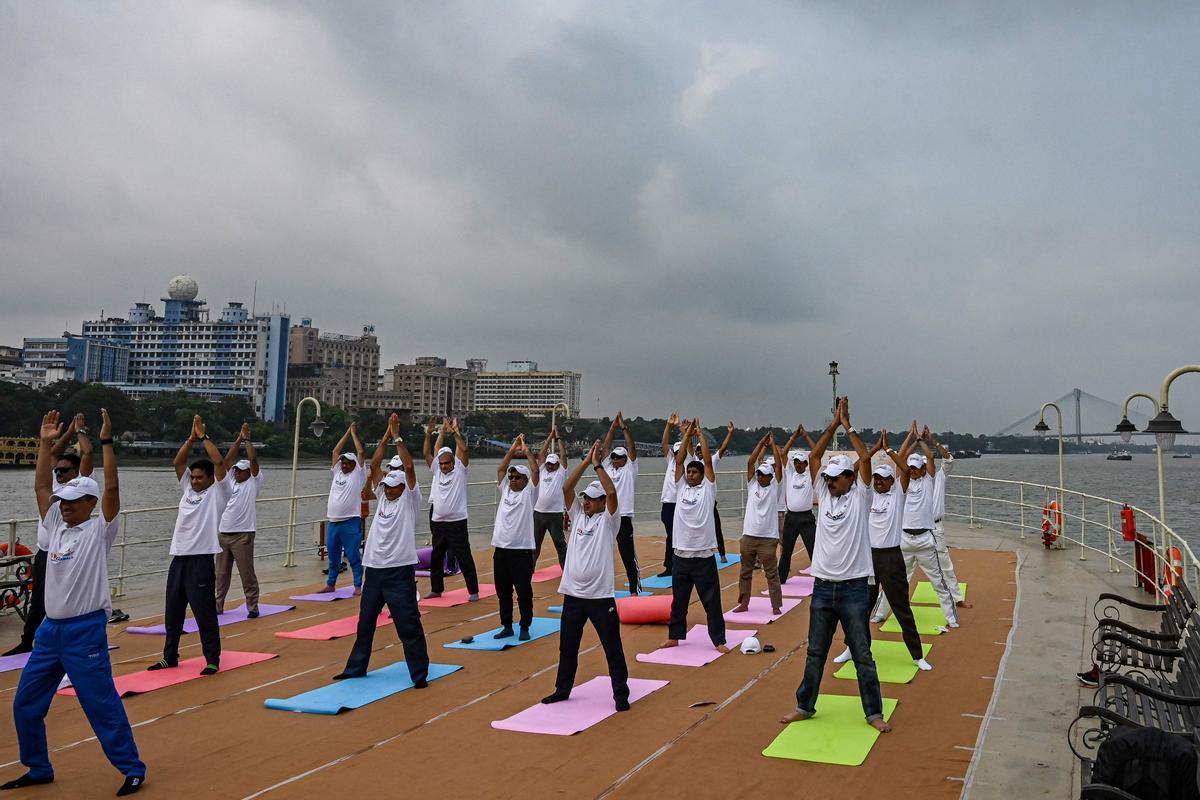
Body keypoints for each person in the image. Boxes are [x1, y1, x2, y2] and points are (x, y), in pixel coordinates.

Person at [4, 409, 146, 796]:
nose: (63, 506)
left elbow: (113, 487)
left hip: (84, 632)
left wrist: (106, 442)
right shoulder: (54, 525)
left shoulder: (100, 529)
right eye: (61, 501)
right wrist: (46, 443)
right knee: (25, 705)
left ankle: (132, 768)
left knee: (100, 706)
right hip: (50, 632)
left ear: (89, 502)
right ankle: (38, 767)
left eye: (71, 501)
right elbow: (39, 487)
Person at [781, 398, 890, 733]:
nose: (828, 482)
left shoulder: (861, 495)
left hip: (855, 587)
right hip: (824, 586)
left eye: (834, 478)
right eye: (826, 479)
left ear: (849, 477)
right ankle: (805, 705)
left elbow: (866, 460)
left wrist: (849, 426)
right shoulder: (824, 496)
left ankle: (873, 713)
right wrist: (833, 424)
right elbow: (814, 457)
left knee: (862, 655)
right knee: (815, 652)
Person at [334, 414, 430, 684]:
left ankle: (419, 674)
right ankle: (355, 668)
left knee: (408, 625)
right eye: (385, 486)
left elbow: (410, 468)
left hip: (399, 571)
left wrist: (398, 437)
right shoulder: (383, 497)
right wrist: (385, 438)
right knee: (365, 624)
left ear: (403, 487)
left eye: (392, 487)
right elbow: (375, 465)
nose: (387, 491)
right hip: (374, 570)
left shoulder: (410, 499)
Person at [541, 441, 630, 711]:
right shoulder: (578, 515)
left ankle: (621, 695)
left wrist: (598, 465)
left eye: (592, 498)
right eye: (586, 498)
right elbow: (566, 488)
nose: (586, 501)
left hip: (600, 598)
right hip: (573, 596)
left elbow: (613, 494)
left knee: (612, 648)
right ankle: (562, 690)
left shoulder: (609, 521)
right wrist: (585, 461)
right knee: (567, 648)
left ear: (602, 502)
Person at [834, 429, 932, 671]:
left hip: (891, 557)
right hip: (868, 558)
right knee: (860, 608)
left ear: (891, 481)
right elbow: (856, 471)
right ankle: (851, 648)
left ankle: (917, 655)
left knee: (901, 607)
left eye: (883, 478)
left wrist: (888, 450)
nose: (878, 481)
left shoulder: (898, 494)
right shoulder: (866, 496)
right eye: (876, 477)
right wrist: (873, 450)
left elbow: (906, 471)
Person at [3, 414, 94, 657]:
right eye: (58, 471)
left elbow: (87, 454)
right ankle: (27, 641)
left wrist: (80, 432)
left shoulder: (81, 485)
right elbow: (52, 457)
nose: (60, 474)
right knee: (38, 601)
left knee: (72, 601)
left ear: (77, 472)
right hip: (46, 552)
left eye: (65, 471)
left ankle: (75, 642)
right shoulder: (53, 486)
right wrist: (60, 435)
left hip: (72, 552)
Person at [148, 415, 228, 674]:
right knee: (172, 613)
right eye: (192, 477)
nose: (194, 481)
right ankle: (169, 656)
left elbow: (217, 461)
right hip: (179, 559)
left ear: (210, 479)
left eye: (199, 478)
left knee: (204, 613)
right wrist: (190, 439)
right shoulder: (187, 490)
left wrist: (203, 438)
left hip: (201, 560)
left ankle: (212, 658)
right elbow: (178, 462)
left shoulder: (218, 493)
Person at [873, 423, 959, 628]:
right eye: (909, 467)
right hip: (904, 540)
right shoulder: (901, 485)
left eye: (915, 468)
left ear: (922, 469)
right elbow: (900, 459)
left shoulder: (929, 481)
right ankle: (880, 613)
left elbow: (930, 458)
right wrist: (909, 438)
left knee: (938, 581)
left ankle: (951, 618)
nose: (911, 470)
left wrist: (922, 440)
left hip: (925, 540)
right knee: (894, 582)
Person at [661, 418, 729, 653]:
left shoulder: (708, 489)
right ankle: (674, 636)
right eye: (688, 471)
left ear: (701, 475)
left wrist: (699, 434)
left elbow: (708, 461)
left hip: (702, 556)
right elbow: (678, 461)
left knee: (712, 601)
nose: (690, 474)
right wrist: (686, 433)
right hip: (681, 555)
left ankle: (719, 640)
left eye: (694, 471)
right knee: (678, 601)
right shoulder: (680, 488)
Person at [422, 417, 479, 600]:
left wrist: (454, 432)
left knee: (464, 556)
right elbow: (427, 454)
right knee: (437, 557)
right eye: (442, 463)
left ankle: (473, 591)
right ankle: (436, 589)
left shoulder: (461, 470)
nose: (445, 466)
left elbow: (463, 449)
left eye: (447, 463)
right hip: (439, 521)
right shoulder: (437, 470)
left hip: (457, 522)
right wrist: (429, 434)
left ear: (453, 462)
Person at [491, 435, 540, 640]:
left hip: (521, 551)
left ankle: (525, 626)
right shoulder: (505, 491)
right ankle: (506, 625)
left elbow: (536, 470)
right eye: (511, 478)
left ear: (526, 480)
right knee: (503, 592)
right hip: (501, 549)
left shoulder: (530, 493)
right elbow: (501, 470)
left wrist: (526, 451)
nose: (512, 480)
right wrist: (512, 450)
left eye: (517, 477)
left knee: (523, 592)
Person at [732, 433, 784, 615]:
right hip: (749, 536)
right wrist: (761, 444)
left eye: (764, 475)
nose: (761, 477)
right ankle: (743, 602)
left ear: (770, 477)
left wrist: (774, 445)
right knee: (745, 572)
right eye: (759, 474)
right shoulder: (752, 485)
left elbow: (779, 466)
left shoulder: (775, 488)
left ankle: (776, 605)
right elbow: (750, 462)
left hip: (768, 538)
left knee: (771, 574)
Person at [215, 423, 263, 616]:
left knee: (246, 573)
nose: (236, 472)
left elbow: (253, 459)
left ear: (248, 472)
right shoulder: (229, 481)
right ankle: (217, 606)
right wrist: (238, 439)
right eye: (236, 470)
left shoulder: (254, 481)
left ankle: (252, 606)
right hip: (223, 533)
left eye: (240, 470)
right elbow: (225, 462)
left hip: (243, 534)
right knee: (221, 574)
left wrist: (247, 440)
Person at [319, 423, 366, 595]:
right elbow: (335, 452)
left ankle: (357, 586)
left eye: (348, 463)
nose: (344, 465)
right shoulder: (337, 471)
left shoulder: (358, 474)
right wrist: (346, 432)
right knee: (333, 556)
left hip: (350, 521)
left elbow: (361, 453)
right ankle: (330, 584)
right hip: (333, 522)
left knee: (353, 556)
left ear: (354, 464)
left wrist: (353, 434)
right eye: (343, 462)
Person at [929, 431, 970, 608]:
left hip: (936, 527)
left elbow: (949, 460)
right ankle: (890, 602)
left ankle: (957, 597)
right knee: (906, 567)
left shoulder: (939, 477)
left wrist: (933, 441)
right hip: (915, 530)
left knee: (945, 564)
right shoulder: (910, 483)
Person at [601, 411, 641, 594]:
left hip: (623, 517)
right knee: (602, 554)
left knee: (628, 556)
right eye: (614, 457)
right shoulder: (608, 468)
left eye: (620, 457)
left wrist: (623, 426)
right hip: (607, 517)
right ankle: (601, 587)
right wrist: (612, 428)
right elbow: (606, 447)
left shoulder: (630, 469)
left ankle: (634, 588)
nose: (616, 459)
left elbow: (631, 446)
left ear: (626, 459)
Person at [777, 424, 817, 583]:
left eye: (801, 462)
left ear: (806, 464)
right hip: (791, 517)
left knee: (813, 550)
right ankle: (781, 578)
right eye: (796, 462)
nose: (798, 464)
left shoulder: (810, 476)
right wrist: (794, 436)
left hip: (806, 518)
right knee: (786, 551)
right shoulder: (790, 473)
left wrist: (806, 436)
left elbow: (816, 453)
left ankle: (820, 578)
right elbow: (783, 453)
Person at [532, 427, 568, 568]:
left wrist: (558, 438)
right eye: (548, 463)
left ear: (558, 464)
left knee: (560, 544)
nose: (550, 466)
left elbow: (564, 456)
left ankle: (566, 570)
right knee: (534, 545)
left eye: (553, 464)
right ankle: (529, 570)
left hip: (554, 514)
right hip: (539, 513)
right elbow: (541, 455)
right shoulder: (542, 471)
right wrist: (549, 437)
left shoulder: (560, 473)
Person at [656, 413, 683, 578]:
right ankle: (669, 566)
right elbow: (664, 443)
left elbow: (689, 448)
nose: (678, 454)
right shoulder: (671, 460)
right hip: (668, 503)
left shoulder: (689, 461)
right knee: (670, 536)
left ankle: (678, 566)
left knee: (678, 536)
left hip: (681, 504)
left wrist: (682, 429)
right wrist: (668, 425)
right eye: (676, 451)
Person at [705, 421, 735, 561]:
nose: (700, 453)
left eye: (701, 451)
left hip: (710, 502)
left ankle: (722, 554)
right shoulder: (692, 462)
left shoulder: (711, 461)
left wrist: (729, 433)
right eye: (698, 451)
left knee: (717, 528)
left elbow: (722, 449)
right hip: (698, 502)